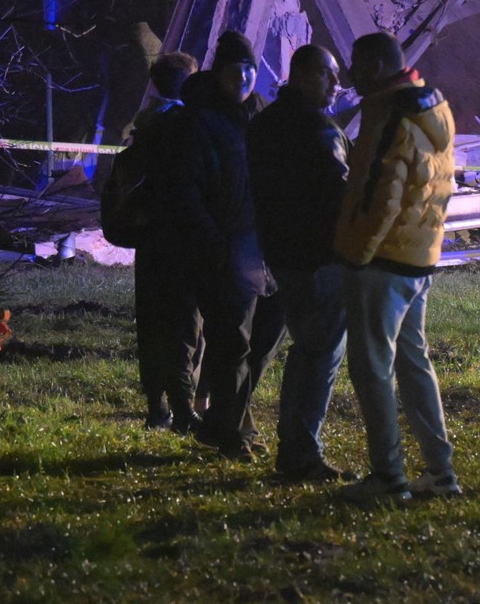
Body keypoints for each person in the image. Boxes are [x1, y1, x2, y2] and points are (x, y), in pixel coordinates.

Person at [334, 31, 460, 502]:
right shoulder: (434, 109)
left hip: (383, 261)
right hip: (420, 256)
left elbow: (378, 194)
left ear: (376, 65)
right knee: (413, 363)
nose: (349, 73)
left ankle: (388, 477)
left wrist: (356, 254)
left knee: (372, 369)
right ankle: (440, 473)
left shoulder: (388, 113)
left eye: (355, 62)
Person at [163, 31, 275, 459]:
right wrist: (213, 241)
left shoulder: (260, 113)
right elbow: (185, 189)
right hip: (220, 252)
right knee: (231, 344)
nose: (244, 77)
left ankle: (228, 423)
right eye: (235, 69)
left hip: (261, 251)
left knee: (258, 343)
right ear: (219, 72)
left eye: (249, 68)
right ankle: (231, 435)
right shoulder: (199, 120)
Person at [247, 43, 353, 482]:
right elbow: (340, 195)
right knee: (321, 351)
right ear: (305, 75)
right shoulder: (319, 130)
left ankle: (295, 447)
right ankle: (301, 452)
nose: (337, 84)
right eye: (329, 75)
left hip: (282, 254)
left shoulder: (264, 124)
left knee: (305, 348)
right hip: (320, 257)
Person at [125, 51, 202, 431]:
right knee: (186, 326)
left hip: (150, 239)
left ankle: (157, 408)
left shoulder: (145, 126)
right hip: (184, 239)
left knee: (152, 324)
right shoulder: (189, 126)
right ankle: (185, 410)